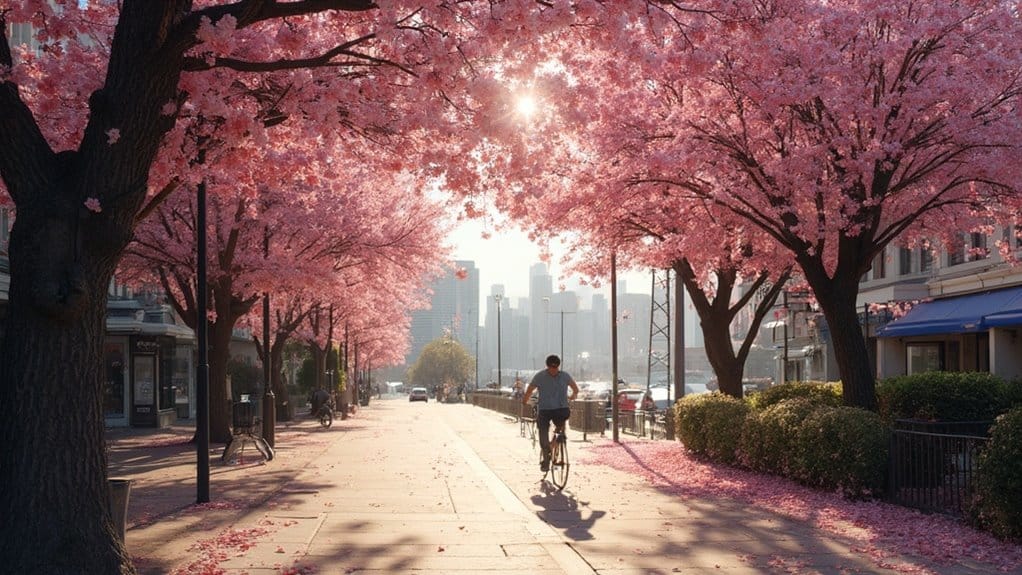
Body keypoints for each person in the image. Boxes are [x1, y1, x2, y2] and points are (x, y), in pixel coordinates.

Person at [522, 354, 579, 472]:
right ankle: (556, 442)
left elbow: (529, 391)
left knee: (543, 431)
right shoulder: (565, 376)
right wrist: (572, 396)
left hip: (546, 410)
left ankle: (547, 453)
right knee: (558, 428)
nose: (553, 370)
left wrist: (525, 402)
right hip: (560, 409)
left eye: (554, 367)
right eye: (553, 367)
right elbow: (576, 390)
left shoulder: (540, 376)